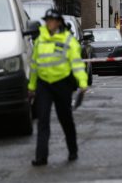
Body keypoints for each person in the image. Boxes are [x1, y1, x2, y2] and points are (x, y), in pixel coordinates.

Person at [28, 9, 88, 166]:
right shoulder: (40, 40)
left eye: (52, 20)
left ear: (59, 22)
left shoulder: (68, 40)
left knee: (65, 119)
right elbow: (34, 65)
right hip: (43, 84)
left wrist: (82, 83)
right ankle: (41, 157)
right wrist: (31, 86)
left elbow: (76, 64)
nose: (49, 23)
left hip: (62, 84)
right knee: (43, 120)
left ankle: (73, 150)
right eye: (47, 20)